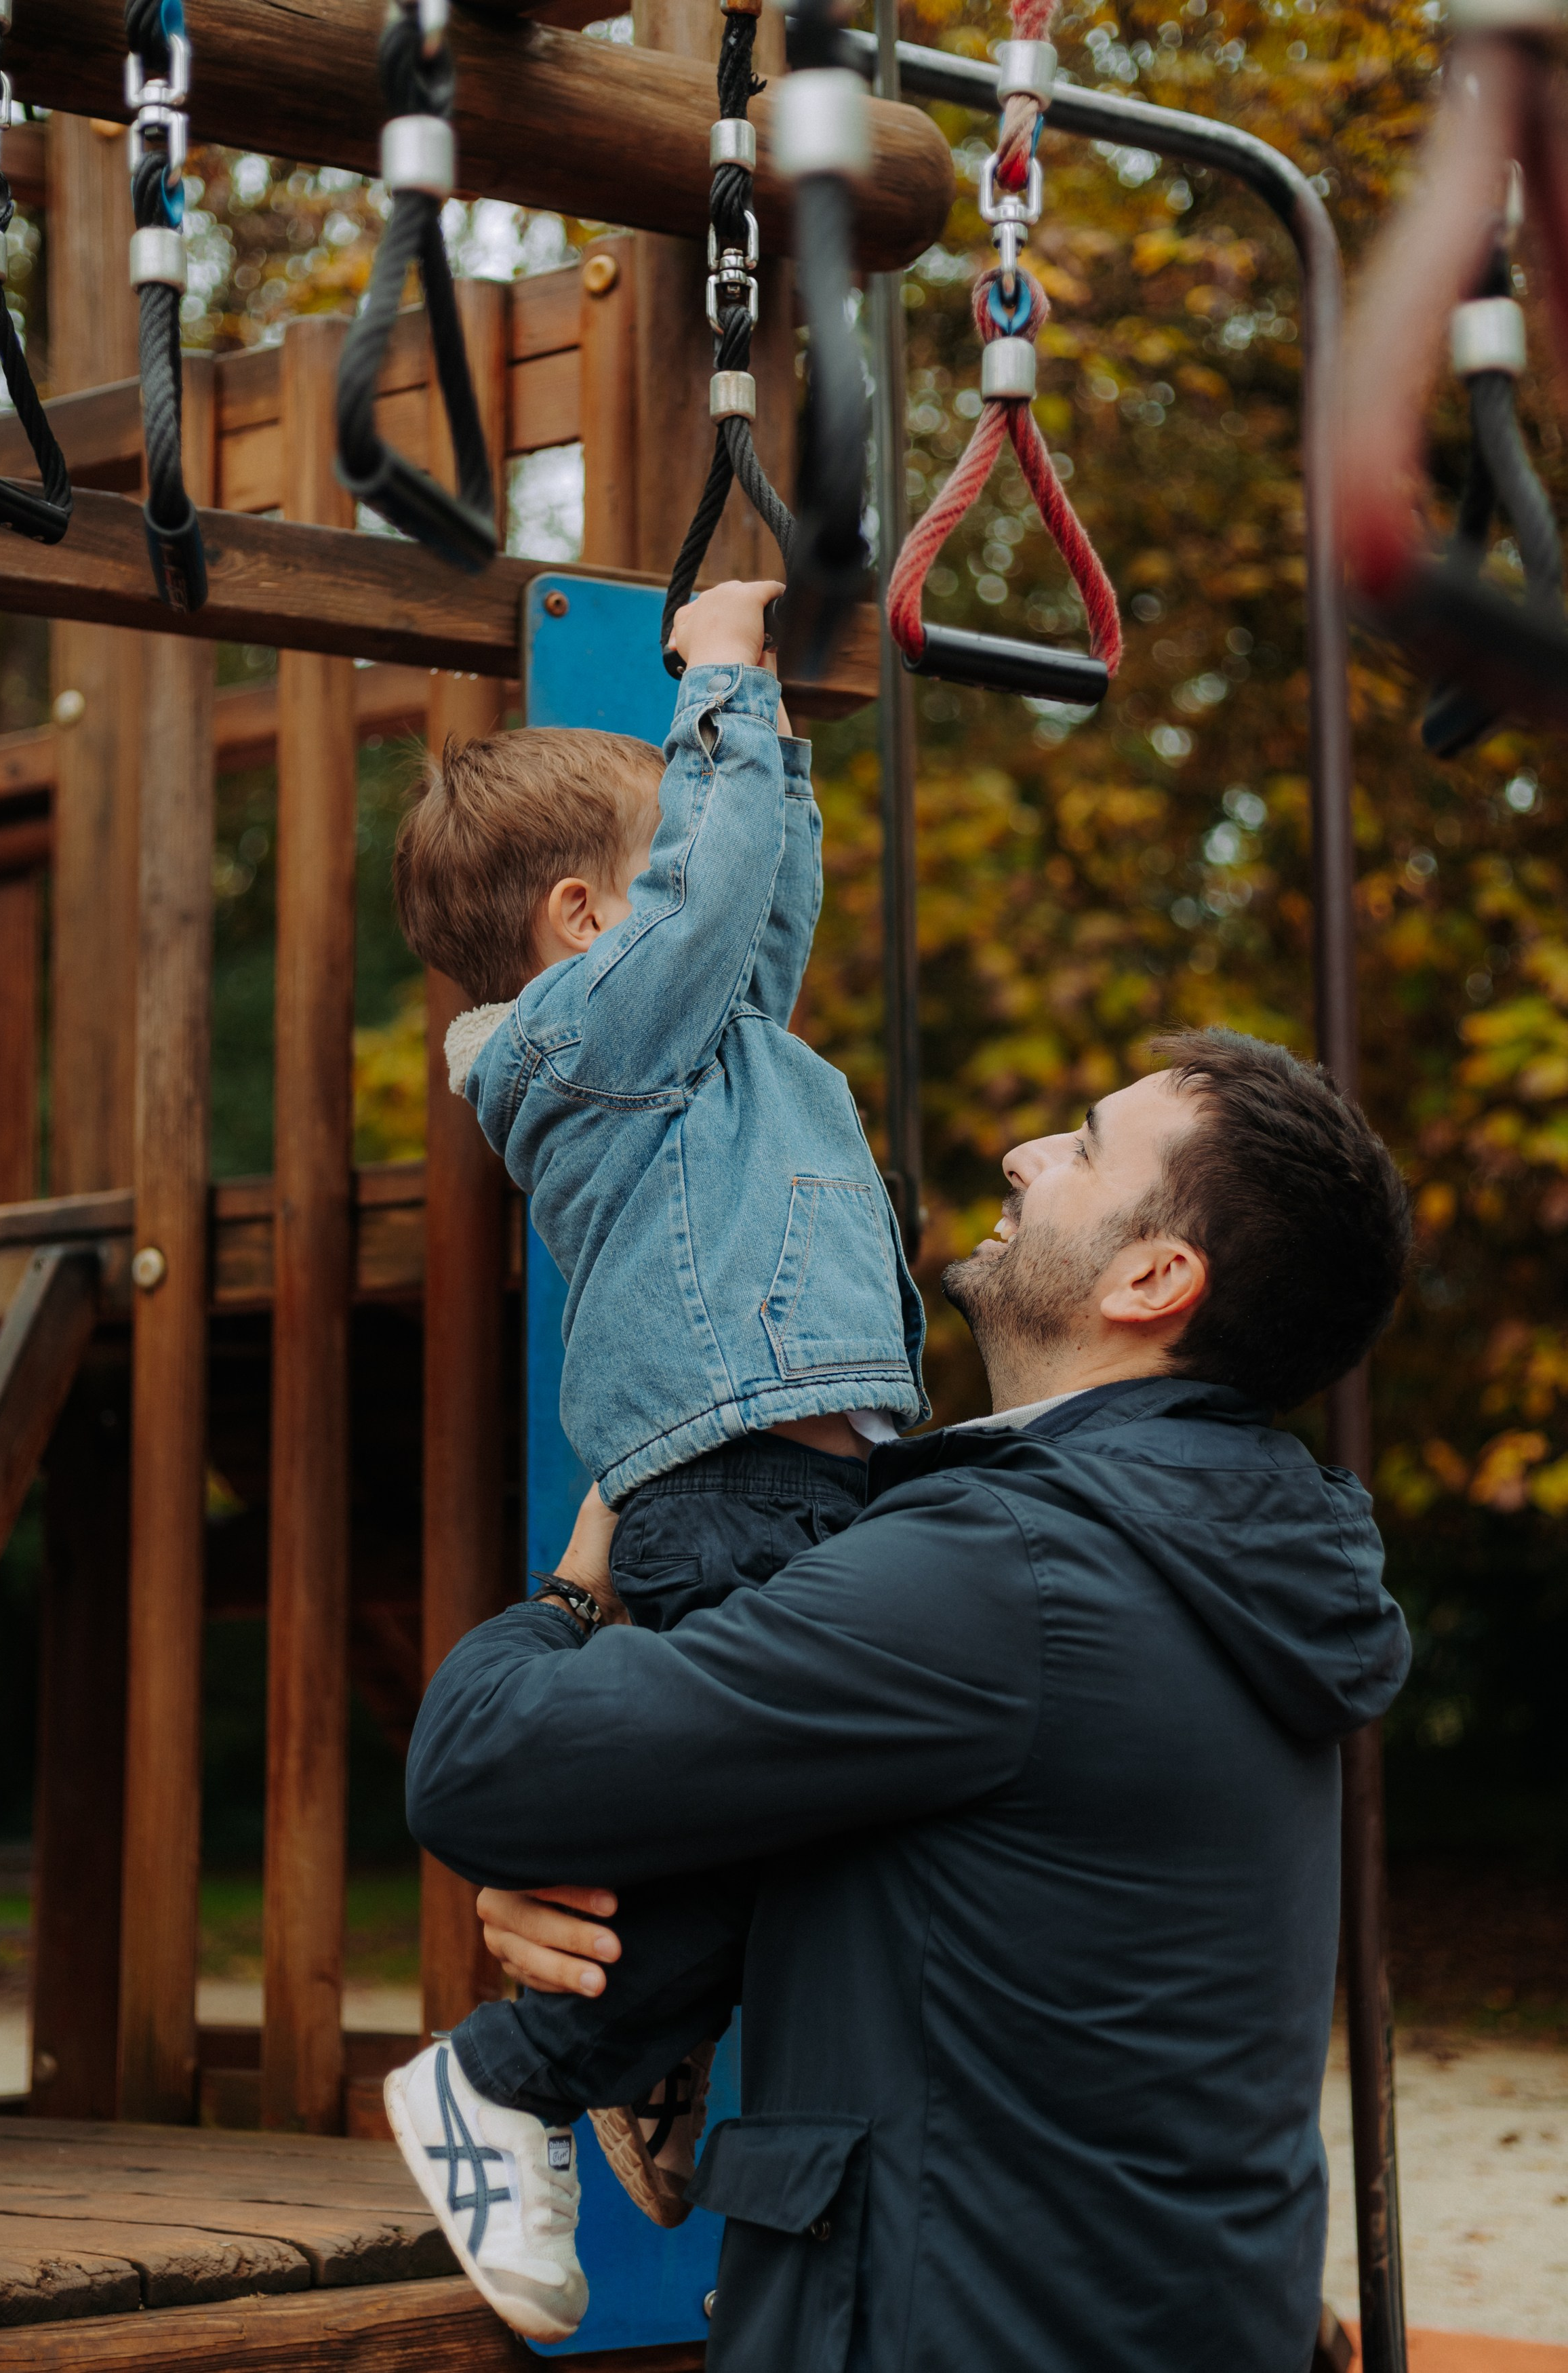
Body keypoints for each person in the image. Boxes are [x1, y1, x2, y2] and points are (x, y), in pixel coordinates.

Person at [405, 1029, 1414, 2373]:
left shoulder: (1012, 1576)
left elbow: (480, 1768)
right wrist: (634, 1887)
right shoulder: (1225, 1558)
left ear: (1153, 1276)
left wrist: (575, 1595)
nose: (1025, 1151)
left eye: (1087, 1145)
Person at [385, 579, 927, 2337]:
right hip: (733, 1489)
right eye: (666, 867)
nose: (715, 884)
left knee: (782, 1834)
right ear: (578, 919)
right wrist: (714, 684)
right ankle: (509, 2073)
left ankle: (648, 2054)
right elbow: (708, 905)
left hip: (796, 1476)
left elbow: (746, 902)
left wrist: (769, 731)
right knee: (777, 1818)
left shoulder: (694, 1036)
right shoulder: (581, 1043)